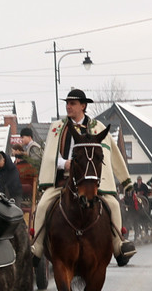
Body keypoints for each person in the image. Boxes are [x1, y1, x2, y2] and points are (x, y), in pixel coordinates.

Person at [32, 88, 136, 267]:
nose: (68, 107)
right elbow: (50, 155)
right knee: (42, 206)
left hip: (92, 181)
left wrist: (125, 180)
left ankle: (119, 245)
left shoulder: (98, 128)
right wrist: (64, 163)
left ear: (83, 106)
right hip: (64, 180)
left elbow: (113, 155)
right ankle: (37, 247)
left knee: (113, 204)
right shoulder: (57, 128)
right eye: (67, 103)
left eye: (72, 103)